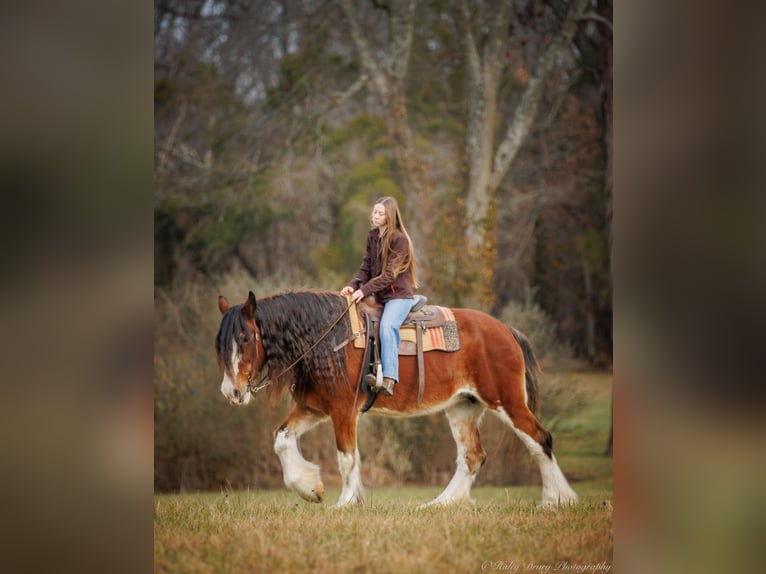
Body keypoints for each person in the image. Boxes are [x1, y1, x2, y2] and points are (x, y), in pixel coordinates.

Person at [340, 196, 419, 396]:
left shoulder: (399, 240)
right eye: (374, 212)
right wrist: (353, 285)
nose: (375, 216)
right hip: (380, 296)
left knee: (387, 325)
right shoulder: (373, 237)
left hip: (398, 297)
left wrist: (364, 291)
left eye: (380, 213)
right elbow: (365, 267)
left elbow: (389, 276)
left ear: (389, 216)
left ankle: (389, 378)